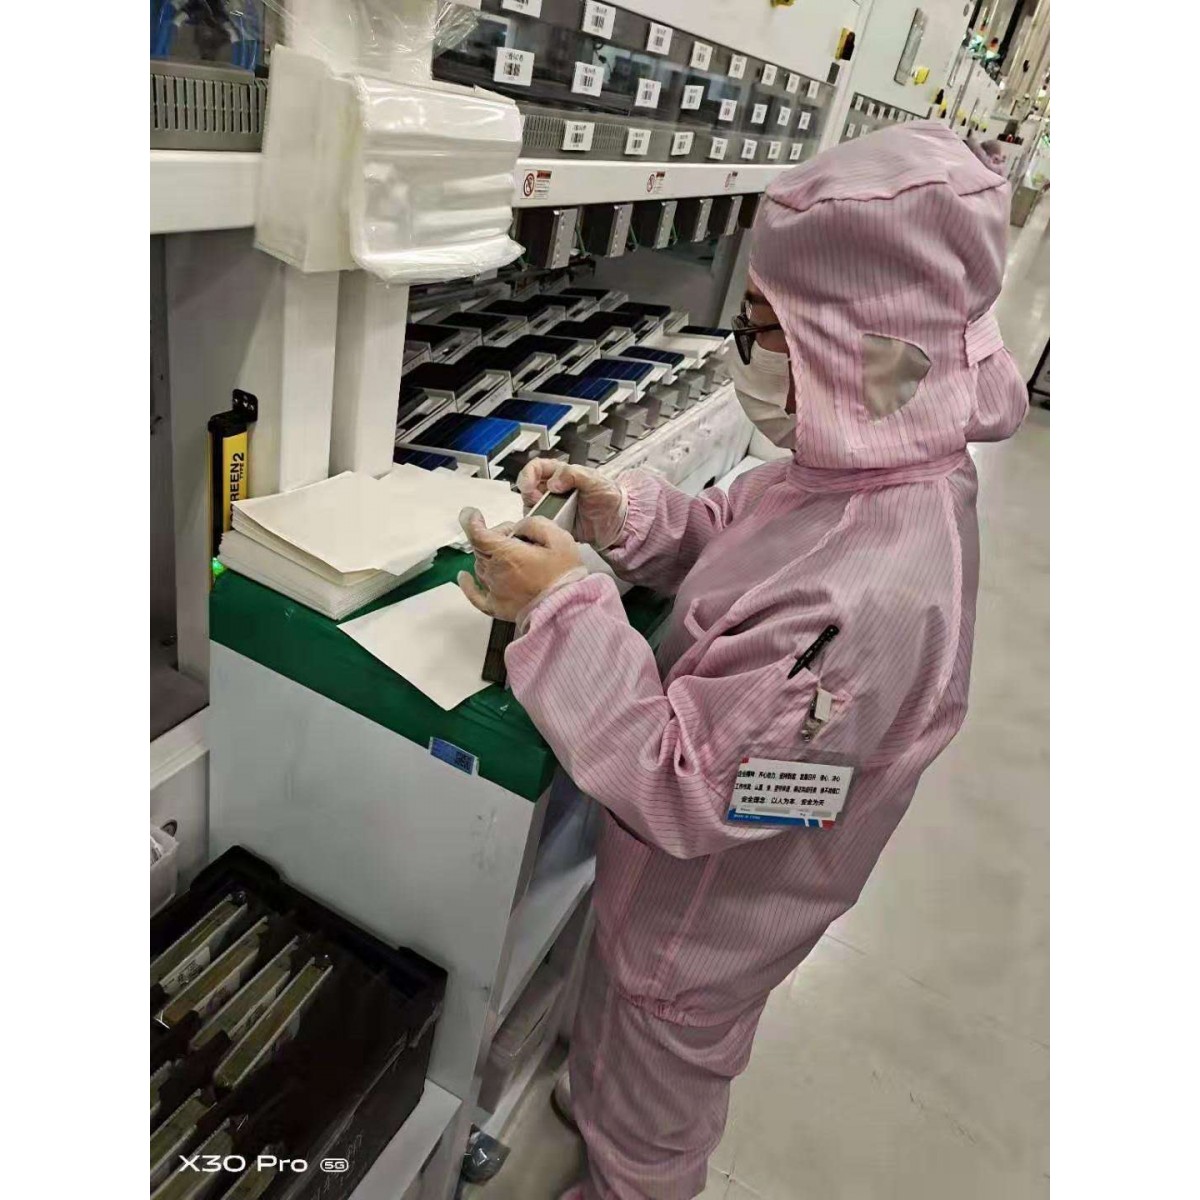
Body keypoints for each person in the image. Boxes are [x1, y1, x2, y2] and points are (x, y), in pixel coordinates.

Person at [457, 122, 1027, 1200]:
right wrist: (625, 515)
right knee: (622, 1027)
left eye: (764, 327)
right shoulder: (875, 464)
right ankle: (608, 1100)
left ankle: (631, 1170)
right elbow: (743, 535)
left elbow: (690, 785)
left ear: (859, 345)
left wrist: (564, 607)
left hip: (705, 926)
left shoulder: (874, 593)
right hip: (681, 900)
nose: (744, 351)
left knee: (656, 1102)